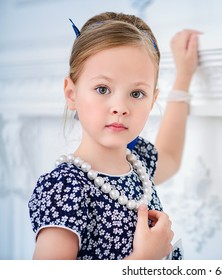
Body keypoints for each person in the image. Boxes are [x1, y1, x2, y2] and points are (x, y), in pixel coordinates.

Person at [28, 12, 200, 260]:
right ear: (71, 93)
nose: (120, 107)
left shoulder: (137, 161)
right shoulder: (66, 187)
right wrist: (142, 261)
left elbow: (170, 157)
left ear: (152, 100)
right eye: (103, 89)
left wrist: (183, 78)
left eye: (137, 93)